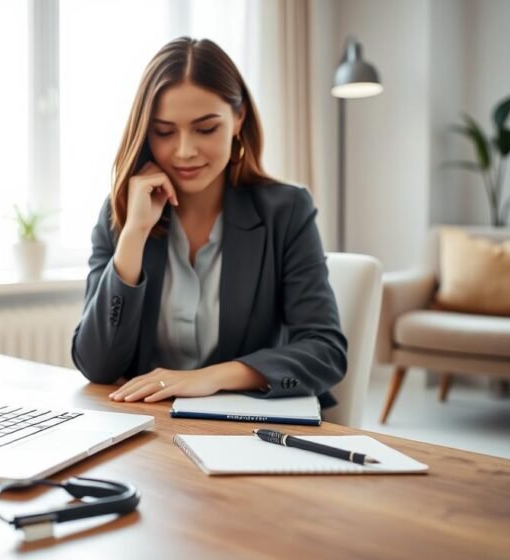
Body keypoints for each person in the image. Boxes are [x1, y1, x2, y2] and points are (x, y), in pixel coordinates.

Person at [70, 37, 347, 407]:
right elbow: (97, 364)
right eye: (164, 132)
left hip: (253, 429)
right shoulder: (121, 213)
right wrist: (134, 233)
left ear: (238, 119)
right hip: (150, 429)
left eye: (205, 128)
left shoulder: (287, 211)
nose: (184, 150)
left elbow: (326, 351)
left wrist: (209, 379)